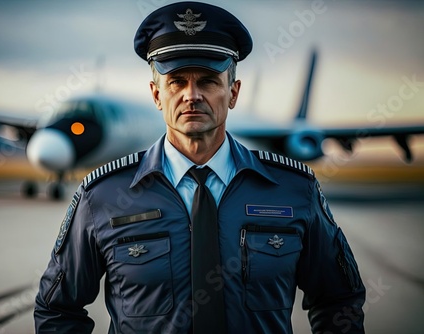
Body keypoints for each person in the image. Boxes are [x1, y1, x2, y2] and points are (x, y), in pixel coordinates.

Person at [34, 2, 366, 333]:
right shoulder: (101, 197)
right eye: (176, 81)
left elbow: (339, 300)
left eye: (208, 81)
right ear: (156, 95)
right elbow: (57, 309)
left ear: (233, 93)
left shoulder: (296, 190)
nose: (191, 96)